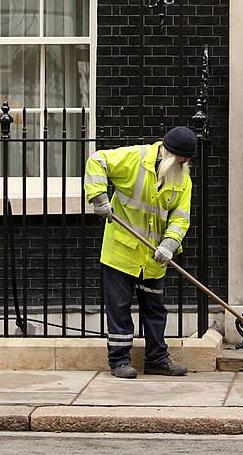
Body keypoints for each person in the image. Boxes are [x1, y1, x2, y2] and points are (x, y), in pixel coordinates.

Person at [83, 126, 197, 379]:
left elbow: (180, 218)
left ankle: (157, 359)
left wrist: (170, 244)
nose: (186, 162)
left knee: (155, 309)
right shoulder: (134, 158)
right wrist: (99, 197)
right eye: (182, 158)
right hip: (122, 251)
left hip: (154, 257)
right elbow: (97, 160)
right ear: (169, 154)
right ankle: (119, 360)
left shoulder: (182, 179)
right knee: (119, 308)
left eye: (188, 159)